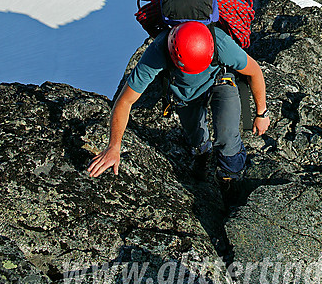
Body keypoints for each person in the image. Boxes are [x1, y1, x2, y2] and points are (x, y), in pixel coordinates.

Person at [87, 20, 270, 185]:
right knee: (195, 138)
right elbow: (124, 102)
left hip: (220, 80)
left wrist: (262, 113)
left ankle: (232, 178)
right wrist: (113, 147)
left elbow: (254, 71)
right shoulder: (157, 53)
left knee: (228, 136)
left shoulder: (221, 43)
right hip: (184, 92)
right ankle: (202, 154)